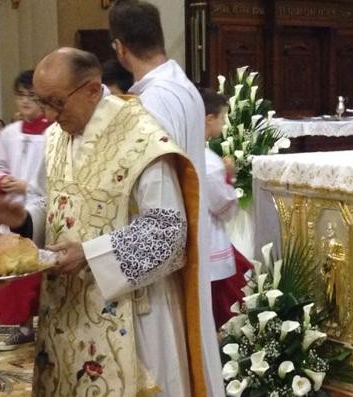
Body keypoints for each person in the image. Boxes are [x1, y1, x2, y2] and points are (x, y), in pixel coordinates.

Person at [0, 47, 205, 396]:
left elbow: (167, 231)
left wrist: (89, 253)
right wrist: (24, 220)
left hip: (132, 315)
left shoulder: (141, 137)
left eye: (57, 102)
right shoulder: (56, 136)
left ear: (91, 88)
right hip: (65, 310)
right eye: (42, 102)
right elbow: (50, 199)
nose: (50, 115)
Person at [109, 1, 222, 393]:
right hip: (184, 234)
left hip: (161, 246)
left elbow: (149, 189)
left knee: (165, 357)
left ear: (119, 48)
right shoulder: (182, 88)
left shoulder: (147, 105)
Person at [0, 69, 53, 350]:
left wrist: (27, 184)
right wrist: (1, 180)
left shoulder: (54, 132)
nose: (25, 103)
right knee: (18, 275)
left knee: (44, 272)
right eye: (21, 96)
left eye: (31, 97)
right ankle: (23, 328)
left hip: (43, 209)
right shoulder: (10, 133)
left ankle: (49, 327)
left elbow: (57, 173)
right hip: (14, 211)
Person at [199, 88, 256, 329]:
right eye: (222, 118)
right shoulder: (209, 162)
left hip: (196, 237)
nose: (223, 125)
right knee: (221, 307)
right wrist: (229, 177)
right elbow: (225, 208)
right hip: (209, 240)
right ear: (208, 119)